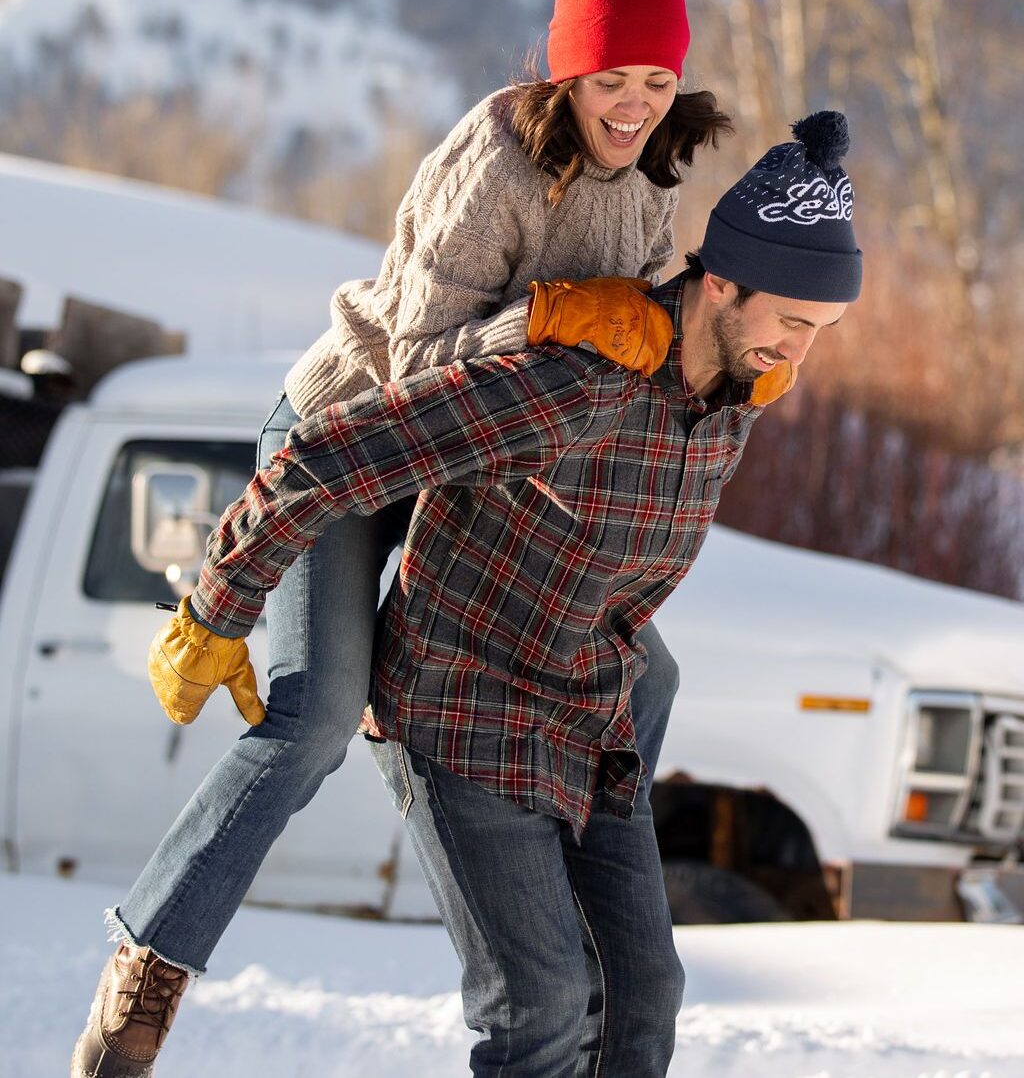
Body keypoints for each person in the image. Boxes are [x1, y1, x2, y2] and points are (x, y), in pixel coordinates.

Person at [70, 0, 732, 1078]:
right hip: (348, 437)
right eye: (611, 76)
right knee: (317, 712)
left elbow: (612, 372)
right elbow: (418, 363)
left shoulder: (647, 194)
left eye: (655, 78)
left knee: (644, 675)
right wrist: (553, 316)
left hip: (466, 476)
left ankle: (596, 950)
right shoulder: (493, 156)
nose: (633, 102)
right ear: (565, 66)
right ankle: (151, 958)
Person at [81, 112, 861, 1078]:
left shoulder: (726, 408)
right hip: (463, 708)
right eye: (791, 321)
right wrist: (220, 600)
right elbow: (330, 450)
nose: (799, 353)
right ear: (724, 282)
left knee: (642, 997)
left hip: (583, 722)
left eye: (819, 332)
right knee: (536, 1008)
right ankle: (149, 965)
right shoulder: (576, 374)